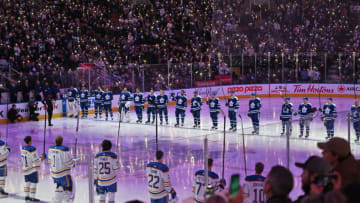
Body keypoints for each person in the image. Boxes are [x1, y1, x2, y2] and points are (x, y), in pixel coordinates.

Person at [48, 136, 77, 203]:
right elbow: (68, 163)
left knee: (59, 190)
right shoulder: (64, 149)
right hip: (63, 175)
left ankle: (56, 199)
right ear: (62, 141)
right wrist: (74, 163)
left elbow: (49, 161)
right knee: (68, 191)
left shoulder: (51, 149)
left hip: (54, 175)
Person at [21, 136, 47, 202]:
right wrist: (42, 157)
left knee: (27, 183)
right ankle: (32, 197)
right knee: (33, 183)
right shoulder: (32, 149)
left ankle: (26, 196)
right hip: (32, 169)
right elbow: (36, 162)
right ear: (30, 141)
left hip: (25, 169)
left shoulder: (23, 149)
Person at [0, 132, 10, 197]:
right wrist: (8, 150)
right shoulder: (2, 143)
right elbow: (3, 155)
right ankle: (1, 190)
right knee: (2, 178)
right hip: (2, 163)